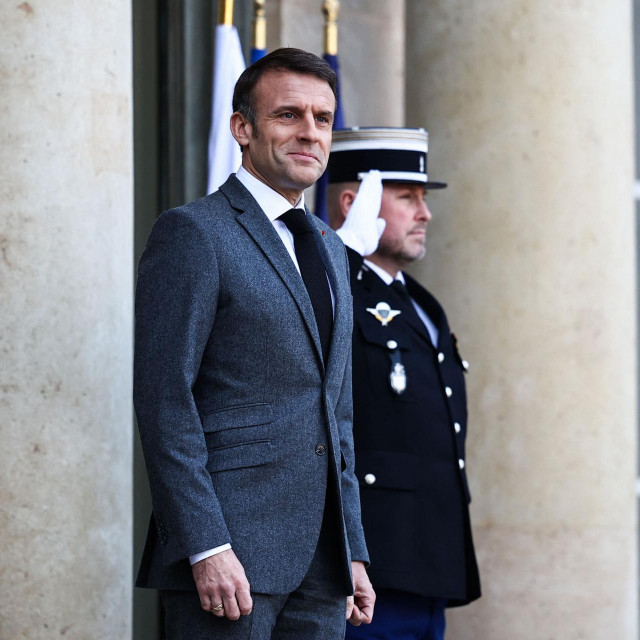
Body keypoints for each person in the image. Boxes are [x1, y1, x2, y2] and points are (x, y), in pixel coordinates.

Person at [134, 48, 375, 639]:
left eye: (322, 119)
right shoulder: (194, 232)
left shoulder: (329, 246)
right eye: (288, 115)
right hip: (229, 555)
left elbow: (335, 413)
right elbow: (166, 400)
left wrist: (353, 548)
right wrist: (205, 544)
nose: (310, 134)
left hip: (323, 564)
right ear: (242, 128)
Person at [326, 127, 481, 640]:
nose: (425, 213)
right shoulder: (334, 287)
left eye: (424, 198)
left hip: (427, 556)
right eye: (407, 197)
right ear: (355, 203)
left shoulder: (419, 302)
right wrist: (340, 255)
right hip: (370, 562)